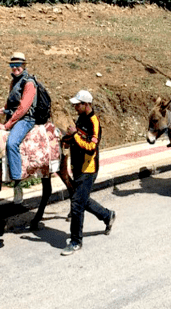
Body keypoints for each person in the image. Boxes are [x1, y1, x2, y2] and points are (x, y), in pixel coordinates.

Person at [61, 90, 116, 256]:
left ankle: (76, 241)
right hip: (77, 167)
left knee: (77, 203)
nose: (75, 107)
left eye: (77, 104)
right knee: (82, 199)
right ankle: (108, 215)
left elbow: (91, 147)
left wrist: (75, 135)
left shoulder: (94, 122)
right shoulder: (81, 118)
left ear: (86, 104)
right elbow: (77, 139)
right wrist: (65, 139)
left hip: (88, 168)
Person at [0, 52, 37, 204]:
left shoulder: (29, 83)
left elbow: (23, 108)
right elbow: (11, 102)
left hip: (26, 119)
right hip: (14, 117)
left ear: (24, 65)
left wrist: (7, 125)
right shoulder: (14, 82)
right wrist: (5, 109)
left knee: (12, 143)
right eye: (12, 65)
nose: (15, 68)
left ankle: (17, 183)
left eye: (17, 65)